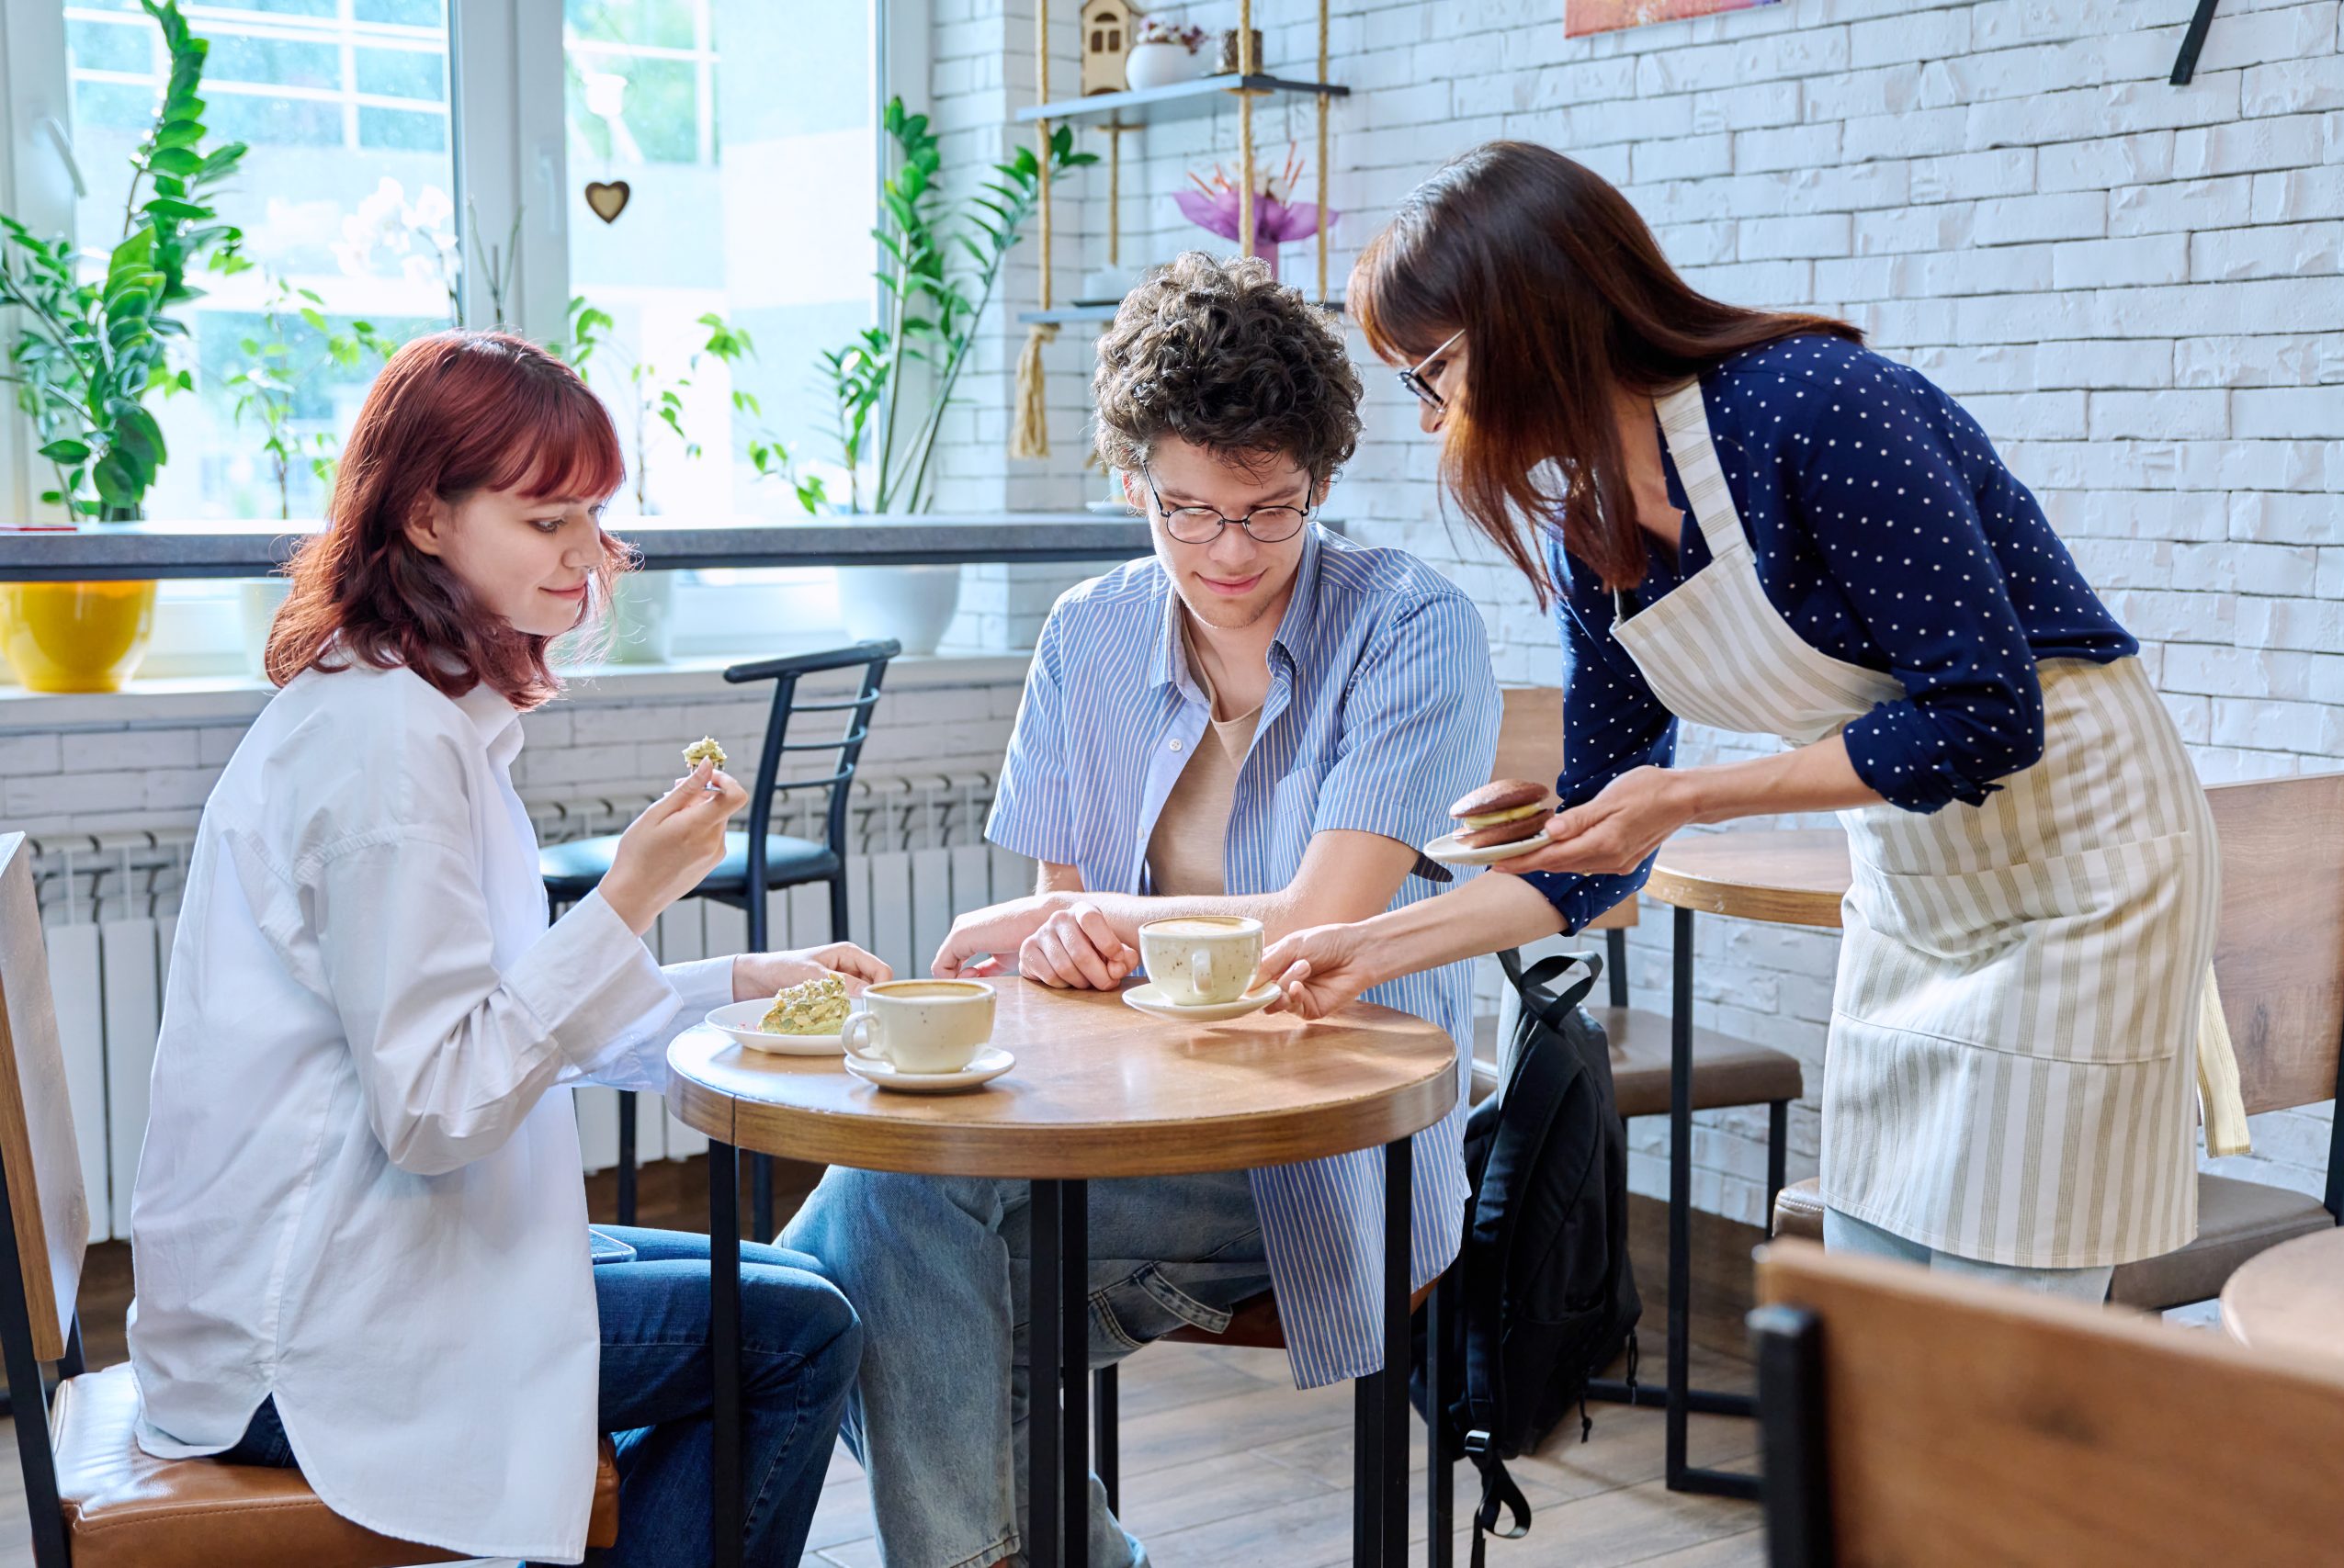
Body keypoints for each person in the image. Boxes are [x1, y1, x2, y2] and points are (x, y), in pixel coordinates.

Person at [1256, 141, 2225, 1303]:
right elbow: (1592, 853)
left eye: (1432, 372)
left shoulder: (1813, 405)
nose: (1432, 419)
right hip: (1919, 887)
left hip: (2084, 864)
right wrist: (1367, 950)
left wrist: (1687, 798)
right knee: (1870, 1292)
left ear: (1529, 319)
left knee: (2003, 1320)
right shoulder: (1595, 538)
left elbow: (1985, 714)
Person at [784, 253, 1501, 1567]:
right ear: (1131, 481)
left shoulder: (1411, 626)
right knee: (870, 1260)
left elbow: (1323, 921)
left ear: (1321, 481)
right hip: (1121, 1118)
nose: (1229, 551)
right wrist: (1063, 933)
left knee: (858, 1276)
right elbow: (1065, 936)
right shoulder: (1089, 633)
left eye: (1269, 511)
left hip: (1325, 1141)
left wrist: (1082, 917)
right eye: (1188, 511)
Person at [128, 331, 887, 1566]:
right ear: (426, 517)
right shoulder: (386, 747)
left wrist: (738, 984)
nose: (589, 555)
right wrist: (628, 898)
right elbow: (441, 1106)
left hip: (350, 1253)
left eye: (593, 513)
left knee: (776, 1287)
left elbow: (500, 1025)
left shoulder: (406, 708)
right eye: (545, 520)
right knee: (799, 1331)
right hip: (304, 1331)